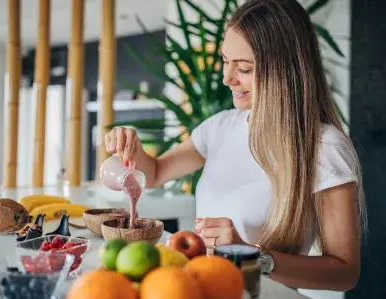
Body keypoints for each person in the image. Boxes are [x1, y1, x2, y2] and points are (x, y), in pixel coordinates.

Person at [104, 0, 367, 292]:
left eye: (243, 68)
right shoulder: (219, 127)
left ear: (284, 70)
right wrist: (132, 147)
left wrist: (251, 255)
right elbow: (154, 173)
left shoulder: (323, 147)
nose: (227, 78)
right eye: (225, 61)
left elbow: (345, 272)